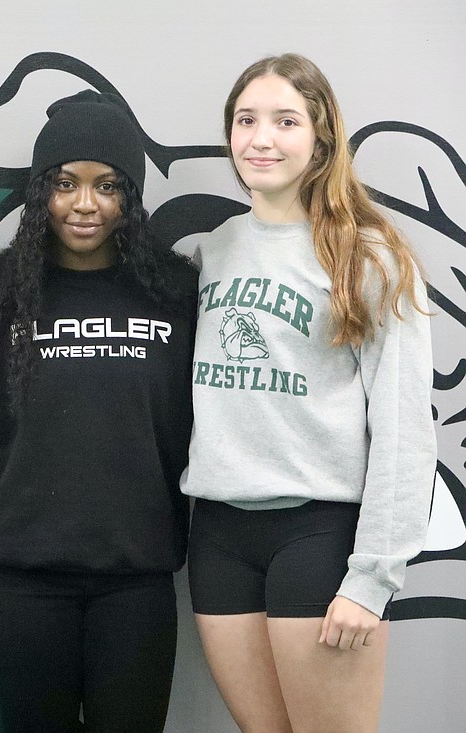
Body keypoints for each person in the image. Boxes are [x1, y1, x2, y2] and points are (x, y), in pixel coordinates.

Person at [179, 53, 436, 733]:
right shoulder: (216, 249)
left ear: (321, 138)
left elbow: (406, 428)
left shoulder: (370, 254)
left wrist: (373, 575)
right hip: (220, 535)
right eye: (246, 120)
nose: (261, 138)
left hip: (318, 534)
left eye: (285, 121)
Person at [0, 91, 198, 732]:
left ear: (130, 197)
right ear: (40, 193)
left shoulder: (175, 292)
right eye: (65, 184)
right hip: (27, 578)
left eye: (108, 186)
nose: (85, 204)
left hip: (136, 577)